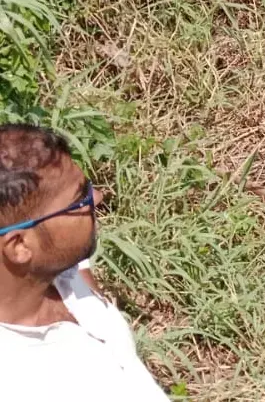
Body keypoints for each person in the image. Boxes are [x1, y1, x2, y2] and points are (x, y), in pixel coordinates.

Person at [0, 125, 169, 400]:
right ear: (19, 247)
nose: (98, 198)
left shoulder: (57, 270)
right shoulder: (20, 382)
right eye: (78, 202)